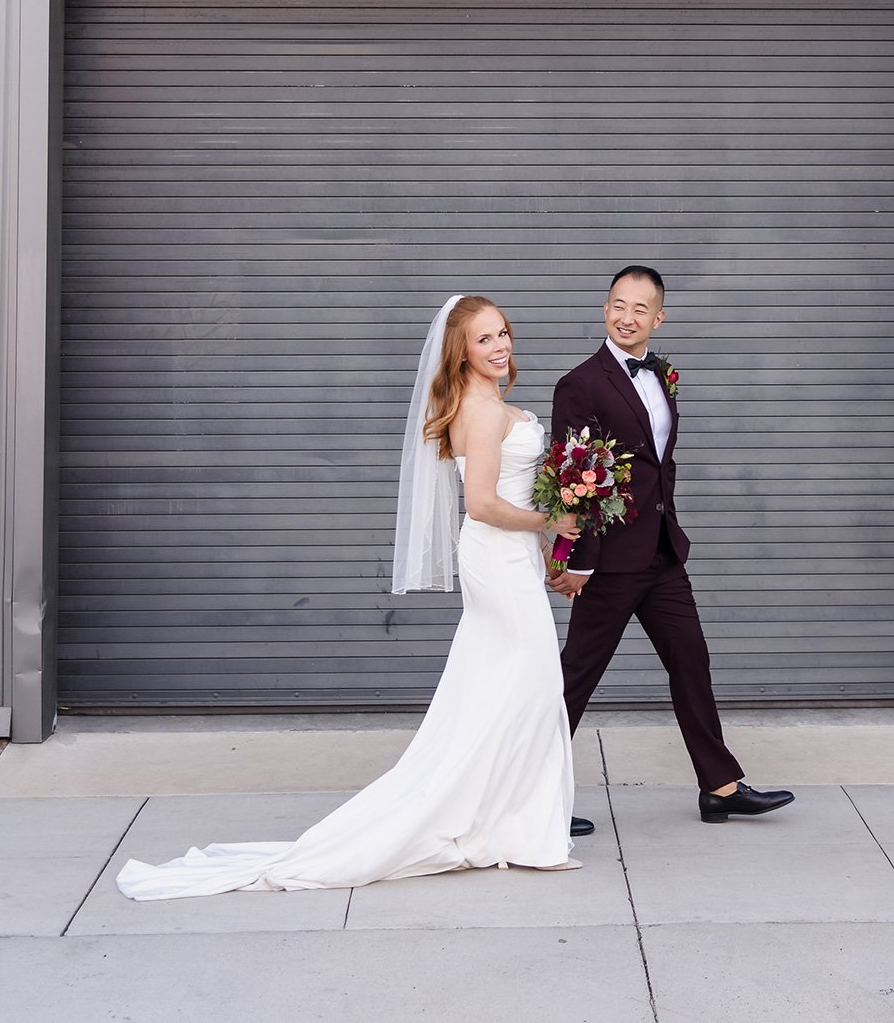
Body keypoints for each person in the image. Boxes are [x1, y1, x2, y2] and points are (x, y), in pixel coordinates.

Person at [116, 294, 581, 899]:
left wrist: (547, 554)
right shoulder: (485, 412)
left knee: (505, 686)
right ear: (461, 352)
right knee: (535, 684)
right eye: (485, 339)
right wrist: (553, 521)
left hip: (507, 557)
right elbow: (484, 505)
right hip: (496, 555)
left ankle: (508, 821)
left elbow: (503, 500)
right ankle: (514, 828)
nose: (500, 347)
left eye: (503, 334)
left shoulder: (486, 404)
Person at [552, 265, 795, 823]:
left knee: (691, 662)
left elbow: (658, 465)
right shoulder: (580, 384)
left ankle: (721, 787)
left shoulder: (661, 374)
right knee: (574, 681)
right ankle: (529, 797)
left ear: (659, 318)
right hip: (609, 563)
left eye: (640, 308)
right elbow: (574, 479)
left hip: (661, 555)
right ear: (603, 309)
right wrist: (579, 562)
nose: (626, 316)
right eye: (618, 304)